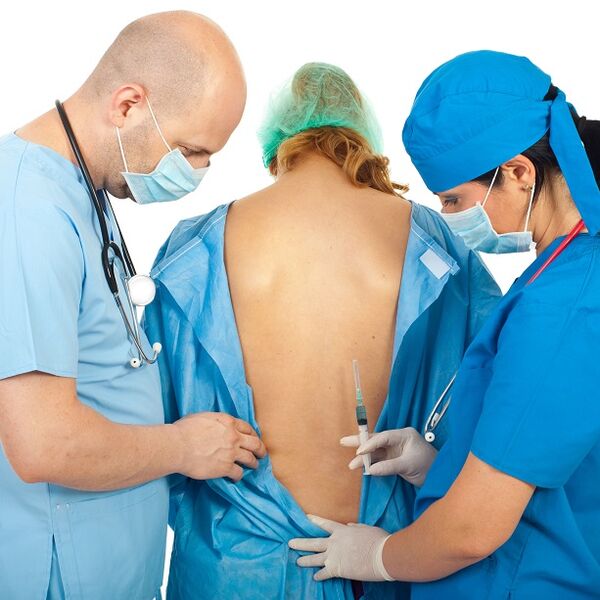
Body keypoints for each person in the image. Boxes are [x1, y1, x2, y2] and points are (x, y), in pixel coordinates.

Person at [143, 62, 500, 600]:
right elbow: (497, 397)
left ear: (276, 142)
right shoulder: (432, 239)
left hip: (236, 568)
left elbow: (151, 418)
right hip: (385, 556)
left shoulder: (197, 246)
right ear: (361, 135)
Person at [290, 50, 600, 599]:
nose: (451, 219)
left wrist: (378, 556)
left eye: (455, 200)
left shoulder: (564, 307)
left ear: (519, 174)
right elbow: (545, 455)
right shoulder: (563, 266)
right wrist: (438, 465)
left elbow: (471, 531)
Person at [0, 11, 266, 600]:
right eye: (191, 150)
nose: (197, 172)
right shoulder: (28, 211)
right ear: (127, 105)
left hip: (109, 564)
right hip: (60, 573)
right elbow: (43, 442)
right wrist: (185, 446)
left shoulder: (82, 186)